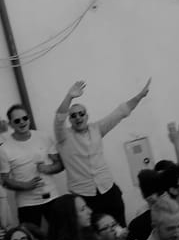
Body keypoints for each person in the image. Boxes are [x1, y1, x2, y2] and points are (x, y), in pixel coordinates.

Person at [53, 78, 151, 225]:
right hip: (84, 197)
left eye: (81, 114)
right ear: (70, 120)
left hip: (108, 190)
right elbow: (59, 118)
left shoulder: (96, 129)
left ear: (87, 116)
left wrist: (139, 96)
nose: (78, 117)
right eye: (73, 115)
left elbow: (120, 112)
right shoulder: (63, 137)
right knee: (95, 234)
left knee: (120, 229)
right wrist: (69, 96)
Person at [0, 103, 64, 236]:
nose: (22, 122)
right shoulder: (4, 149)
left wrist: (48, 168)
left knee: (62, 236)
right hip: (27, 203)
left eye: (25, 118)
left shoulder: (44, 137)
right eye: (17, 120)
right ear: (10, 124)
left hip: (52, 197)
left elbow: (60, 164)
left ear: (29, 118)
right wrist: (25, 185)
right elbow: (4, 180)